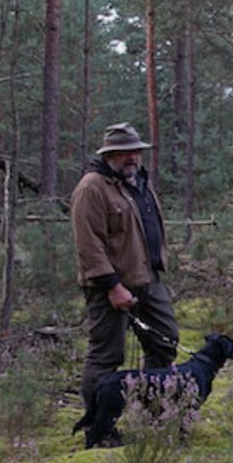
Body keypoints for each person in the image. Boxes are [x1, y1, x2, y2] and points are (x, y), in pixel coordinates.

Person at [70, 122, 179, 431]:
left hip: (148, 279)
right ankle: (98, 427)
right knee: (107, 355)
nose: (131, 157)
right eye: (123, 152)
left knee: (164, 341)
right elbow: (88, 244)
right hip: (109, 286)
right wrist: (112, 286)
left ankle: (156, 414)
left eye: (135, 151)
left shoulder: (138, 183)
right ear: (109, 155)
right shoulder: (92, 187)